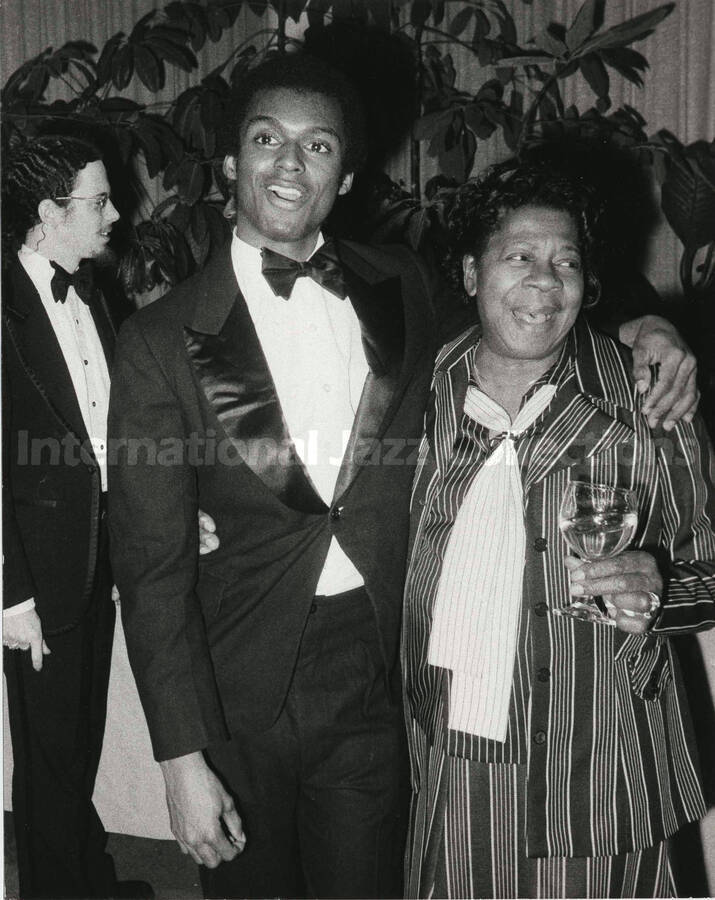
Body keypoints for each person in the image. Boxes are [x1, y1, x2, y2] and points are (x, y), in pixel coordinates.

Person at [107, 54, 700, 900]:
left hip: (377, 671)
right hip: (235, 681)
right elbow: (150, 566)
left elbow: (524, 309)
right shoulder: (156, 341)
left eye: (317, 146)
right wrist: (179, 759)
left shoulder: (403, 286)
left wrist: (645, 324)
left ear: (345, 175)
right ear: (231, 163)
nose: (288, 163)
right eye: (266, 138)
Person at [402, 160, 715, 898]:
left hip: (597, 755)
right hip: (450, 747)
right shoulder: (426, 388)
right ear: (471, 273)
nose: (545, 282)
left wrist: (660, 588)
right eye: (519, 257)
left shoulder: (646, 403)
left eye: (565, 262)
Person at [1, 135, 216, 899]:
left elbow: (122, 433)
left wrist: (173, 512)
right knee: (49, 750)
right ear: (46, 214)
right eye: (97, 202)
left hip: (97, 556)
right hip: (36, 571)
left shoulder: (91, 292)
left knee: (78, 738)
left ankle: (84, 877)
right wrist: (9, 594)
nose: (117, 214)